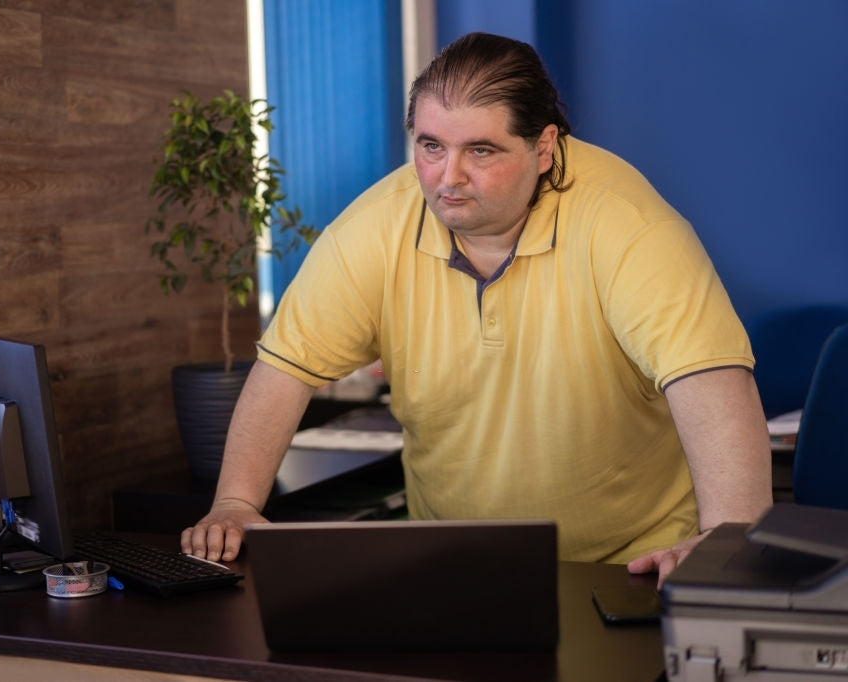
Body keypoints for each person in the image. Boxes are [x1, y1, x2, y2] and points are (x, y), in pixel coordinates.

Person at [181, 32, 772, 586]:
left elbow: (710, 378)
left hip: (627, 565)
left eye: (481, 150)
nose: (448, 178)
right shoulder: (372, 228)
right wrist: (236, 501)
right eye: (431, 147)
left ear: (544, 146)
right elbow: (286, 369)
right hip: (453, 564)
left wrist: (725, 540)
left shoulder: (628, 224)